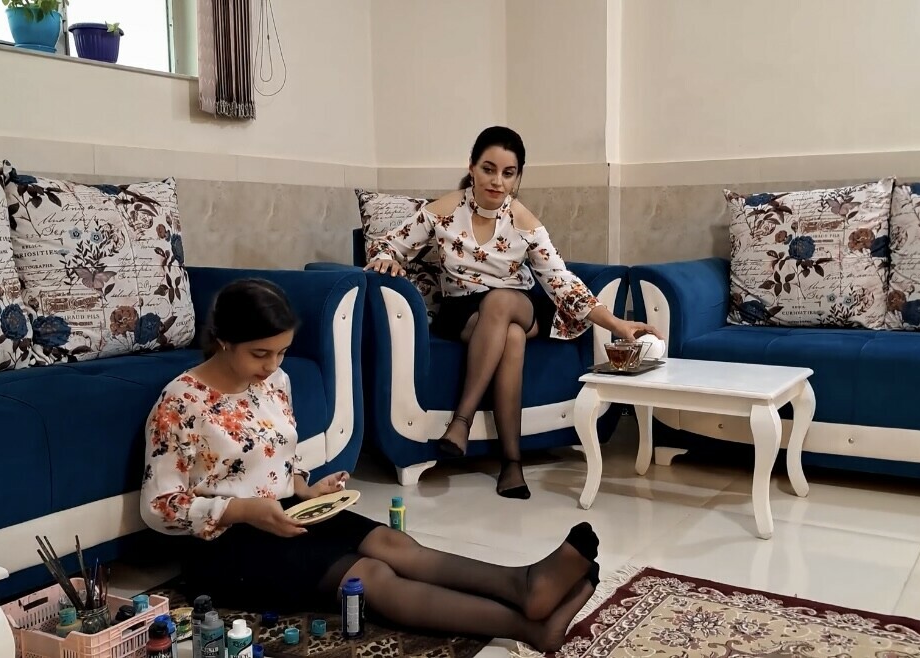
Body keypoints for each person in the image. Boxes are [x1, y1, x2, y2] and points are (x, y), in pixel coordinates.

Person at [140, 278, 601, 652]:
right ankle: (528, 628)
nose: (272, 365)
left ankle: (523, 585)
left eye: (281, 352)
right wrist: (241, 510)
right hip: (224, 544)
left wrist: (306, 489)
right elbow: (159, 507)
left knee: (392, 543)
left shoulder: (275, 380)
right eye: (260, 353)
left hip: (284, 513)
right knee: (370, 577)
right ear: (223, 340)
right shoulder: (181, 402)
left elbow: (278, 455)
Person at [365, 126, 659, 498]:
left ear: (517, 176)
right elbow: (388, 245)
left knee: (503, 303)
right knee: (512, 337)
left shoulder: (525, 222)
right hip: (464, 312)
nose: (497, 181)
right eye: (488, 169)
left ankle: (461, 420)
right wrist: (388, 259)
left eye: (508, 173)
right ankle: (511, 462)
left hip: (519, 304)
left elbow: (561, 282)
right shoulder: (442, 212)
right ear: (472, 167)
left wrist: (616, 323)